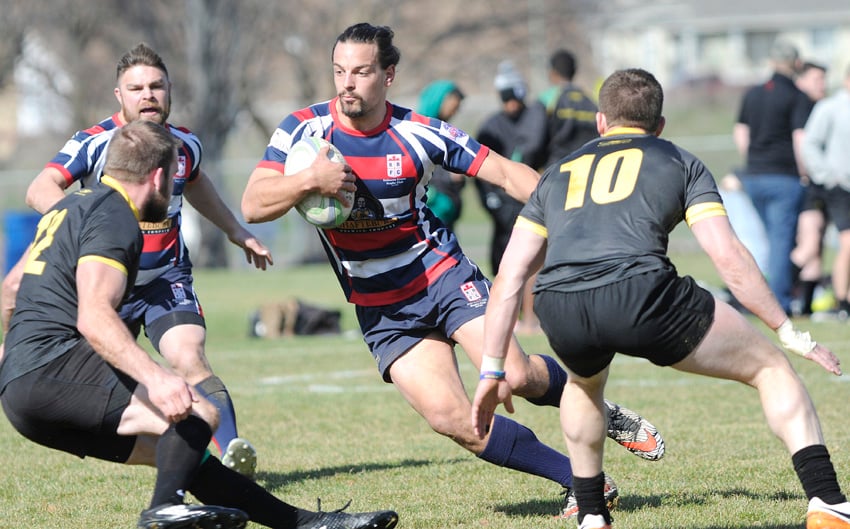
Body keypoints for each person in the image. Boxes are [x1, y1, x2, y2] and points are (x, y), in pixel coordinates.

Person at [241, 22, 665, 519]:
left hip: (441, 275)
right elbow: (252, 203)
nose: (346, 84)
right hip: (381, 307)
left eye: (360, 72)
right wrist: (310, 179)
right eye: (339, 72)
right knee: (454, 419)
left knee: (516, 374)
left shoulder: (418, 132)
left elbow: (506, 173)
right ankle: (577, 480)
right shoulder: (303, 131)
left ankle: (602, 411)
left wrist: (576, 215)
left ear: (388, 74)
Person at [471, 68, 849, 529]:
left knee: (584, 385)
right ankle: (828, 502)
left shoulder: (556, 174)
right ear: (660, 125)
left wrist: (492, 366)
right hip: (641, 294)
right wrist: (788, 330)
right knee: (771, 367)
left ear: (600, 123)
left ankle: (591, 514)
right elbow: (727, 255)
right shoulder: (679, 160)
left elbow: (510, 276)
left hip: (559, 302)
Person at [0, 120, 399, 529]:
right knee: (197, 414)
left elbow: (10, 289)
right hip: (52, 370)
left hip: (20, 392)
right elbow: (95, 315)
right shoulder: (116, 217)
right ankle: (162, 511)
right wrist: (157, 378)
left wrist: (12, 356)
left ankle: (307, 523)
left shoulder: (70, 206)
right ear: (158, 176)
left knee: (187, 452)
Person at [0, 43, 270, 476]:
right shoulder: (94, 144)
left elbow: (195, 184)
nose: (148, 95)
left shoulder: (185, 144)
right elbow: (39, 189)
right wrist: (81, 226)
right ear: (119, 96)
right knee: (75, 372)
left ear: (169, 91)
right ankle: (176, 458)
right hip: (105, 283)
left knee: (188, 355)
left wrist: (235, 231)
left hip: (165, 276)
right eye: (136, 88)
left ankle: (231, 450)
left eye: (156, 86)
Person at [733, 40, 814, 315]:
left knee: (769, 240)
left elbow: (741, 133)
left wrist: (753, 161)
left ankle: (755, 296)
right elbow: (799, 138)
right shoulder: (797, 96)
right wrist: (805, 171)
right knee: (781, 242)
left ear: (771, 62)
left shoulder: (753, 93)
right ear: (796, 64)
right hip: (784, 177)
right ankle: (778, 303)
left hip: (754, 175)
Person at [476, 60, 547, 334]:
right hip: (503, 208)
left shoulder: (536, 118)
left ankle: (532, 318)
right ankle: (510, 317)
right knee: (502, 263)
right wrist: (492, 202)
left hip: (530, 203)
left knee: (532, 262)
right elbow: (482, 169)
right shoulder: (492, 127)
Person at [802, 64, 850, 321]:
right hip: (840, 188)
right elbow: (810, 144)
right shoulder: (830, 108)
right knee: (848, 243)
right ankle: (843, 301)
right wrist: (828, 176)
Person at [791, 61, 830, 317]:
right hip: (810, 185)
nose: (822, 85)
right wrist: (806, 174)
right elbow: (800, 140)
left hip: (819, 184)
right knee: (809, 245)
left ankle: (804, 308)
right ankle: (769, 287)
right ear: (802, 80)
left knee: (816, 250)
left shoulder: (817, 105)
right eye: (817, 79)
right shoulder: (803, 103)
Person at [417, 80, 466, 231]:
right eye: (454, 106)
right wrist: (447, 178)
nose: (455, 112)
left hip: (446, 214)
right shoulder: (418, 132)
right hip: (430, 211)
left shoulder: (447, 132)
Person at [539, 49, 599, 167]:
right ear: (575, 71)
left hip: (556, 171)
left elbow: (533, 141)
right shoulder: (590, 100)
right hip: (587, 168)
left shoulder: (547, 99)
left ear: (552, 73)